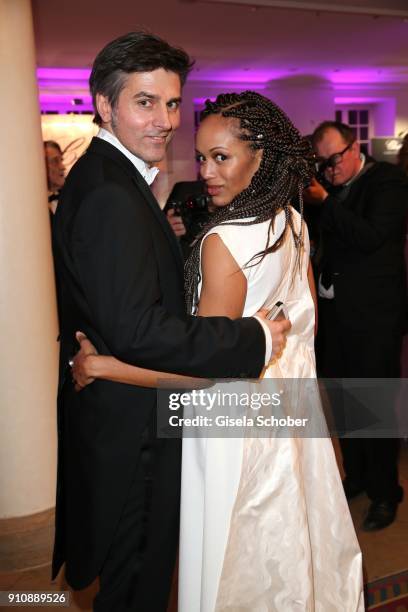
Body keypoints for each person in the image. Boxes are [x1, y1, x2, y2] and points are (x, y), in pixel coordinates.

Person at [72, 92, 364, 611]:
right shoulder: (292, 224)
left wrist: (102, 365)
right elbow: (301, 333)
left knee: (229, 562)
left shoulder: (224, 240)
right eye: (202, 156)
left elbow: (198, 375)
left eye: (221, 157)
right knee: (286, 556)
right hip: (286, 423)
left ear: (261, 157)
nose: (206, 171)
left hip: (231, 433)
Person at [51, 33, 289, 612]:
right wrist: (251, 337)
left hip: (130, 415)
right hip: (136, 435)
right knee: (135, 585)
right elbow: (141, 331)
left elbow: (123, 296)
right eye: (145, 102)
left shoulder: (113, 178)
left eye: (173, 103)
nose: (164, 120)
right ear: (105, 106)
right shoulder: (112, 192)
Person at [305, 121, 408, 531]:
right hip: (333, 314)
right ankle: (359, 478)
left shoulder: (388, 181)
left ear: (355, 146)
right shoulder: (321, 190)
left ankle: (386, 492)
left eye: (335, 160)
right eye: (322, 163)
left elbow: (370, 236)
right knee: (344, 406)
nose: (329, 169)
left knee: (375, 406)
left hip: (374, 317)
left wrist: (325, 201)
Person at [44, 140, 65, 215]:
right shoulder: (31, 203)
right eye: (55, 161)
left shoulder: (71, 197)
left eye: (61, 160)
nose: (63, 167)